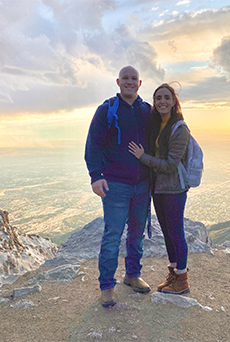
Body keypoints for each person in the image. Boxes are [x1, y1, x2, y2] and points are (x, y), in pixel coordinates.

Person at [85, 66, 151, 308]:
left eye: (134, 78)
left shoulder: (147, 110)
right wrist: (95, 176)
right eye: (126, 78)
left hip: (142, 185)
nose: (130, 82)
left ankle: (132, 275)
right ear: (118, 81)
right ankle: (107, 286)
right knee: (112, 236)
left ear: (140, 82)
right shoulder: (107, 110)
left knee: (137, 234)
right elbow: (94, 143)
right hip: (115, 184)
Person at [128, 83, 191, 295]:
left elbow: (171, 164)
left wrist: (142, 157)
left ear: (174, 102)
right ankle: (173, 273)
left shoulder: (179, 128)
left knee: (176, 232)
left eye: (166, 98)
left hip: (174, 189)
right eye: (158, 98)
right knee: (167, 233)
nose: (162, 102)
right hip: (160, 188)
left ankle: (182, 280)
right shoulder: (158, 125)